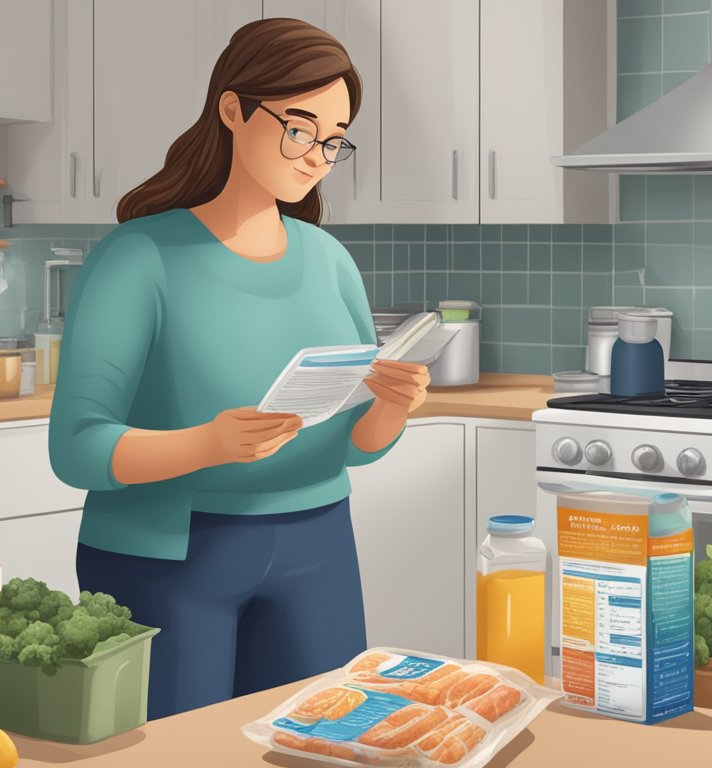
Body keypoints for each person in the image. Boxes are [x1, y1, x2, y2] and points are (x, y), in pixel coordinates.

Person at [48, 17, 431, 720]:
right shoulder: (140, 257)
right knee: (180, 751)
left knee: (328, 742)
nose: (316, 154)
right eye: (300, 127)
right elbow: (75, 446)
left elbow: (350, 445)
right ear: (232, 108)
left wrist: (390, 408)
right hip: (168, 555)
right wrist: (209, 445)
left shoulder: (327, 261)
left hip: (319, 546)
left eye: (333, 139)